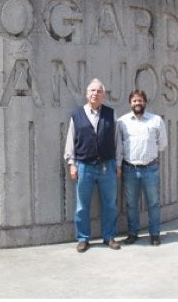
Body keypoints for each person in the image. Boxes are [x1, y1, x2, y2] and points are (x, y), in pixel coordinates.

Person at [64, 78, 121, 253]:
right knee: (82, 205)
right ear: (87, 94)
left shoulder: (111, 114)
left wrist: (118, 163)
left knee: (110, 204)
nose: (95, 94)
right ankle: (83, 238)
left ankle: (109, 237)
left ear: (103, 95)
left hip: (107, 166)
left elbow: (118, 140)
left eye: (99, 91)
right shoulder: (76, 115)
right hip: (84, 166)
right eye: (92, 91)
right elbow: (70, 141)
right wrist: (71, 163)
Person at [116, 89, 167, 246]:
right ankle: (133, 234)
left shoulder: (156, 120)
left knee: (153, 203)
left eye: (140, 100)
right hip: (130, 169)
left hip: (150, 169)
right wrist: (119, 165)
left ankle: (155, 234)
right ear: (130, 103)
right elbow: (119, 146)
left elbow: (163, 144)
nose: (137, 103)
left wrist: (148, 154)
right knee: (131, 204)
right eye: (134, 101)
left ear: (145, 102)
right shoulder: (122, 122)